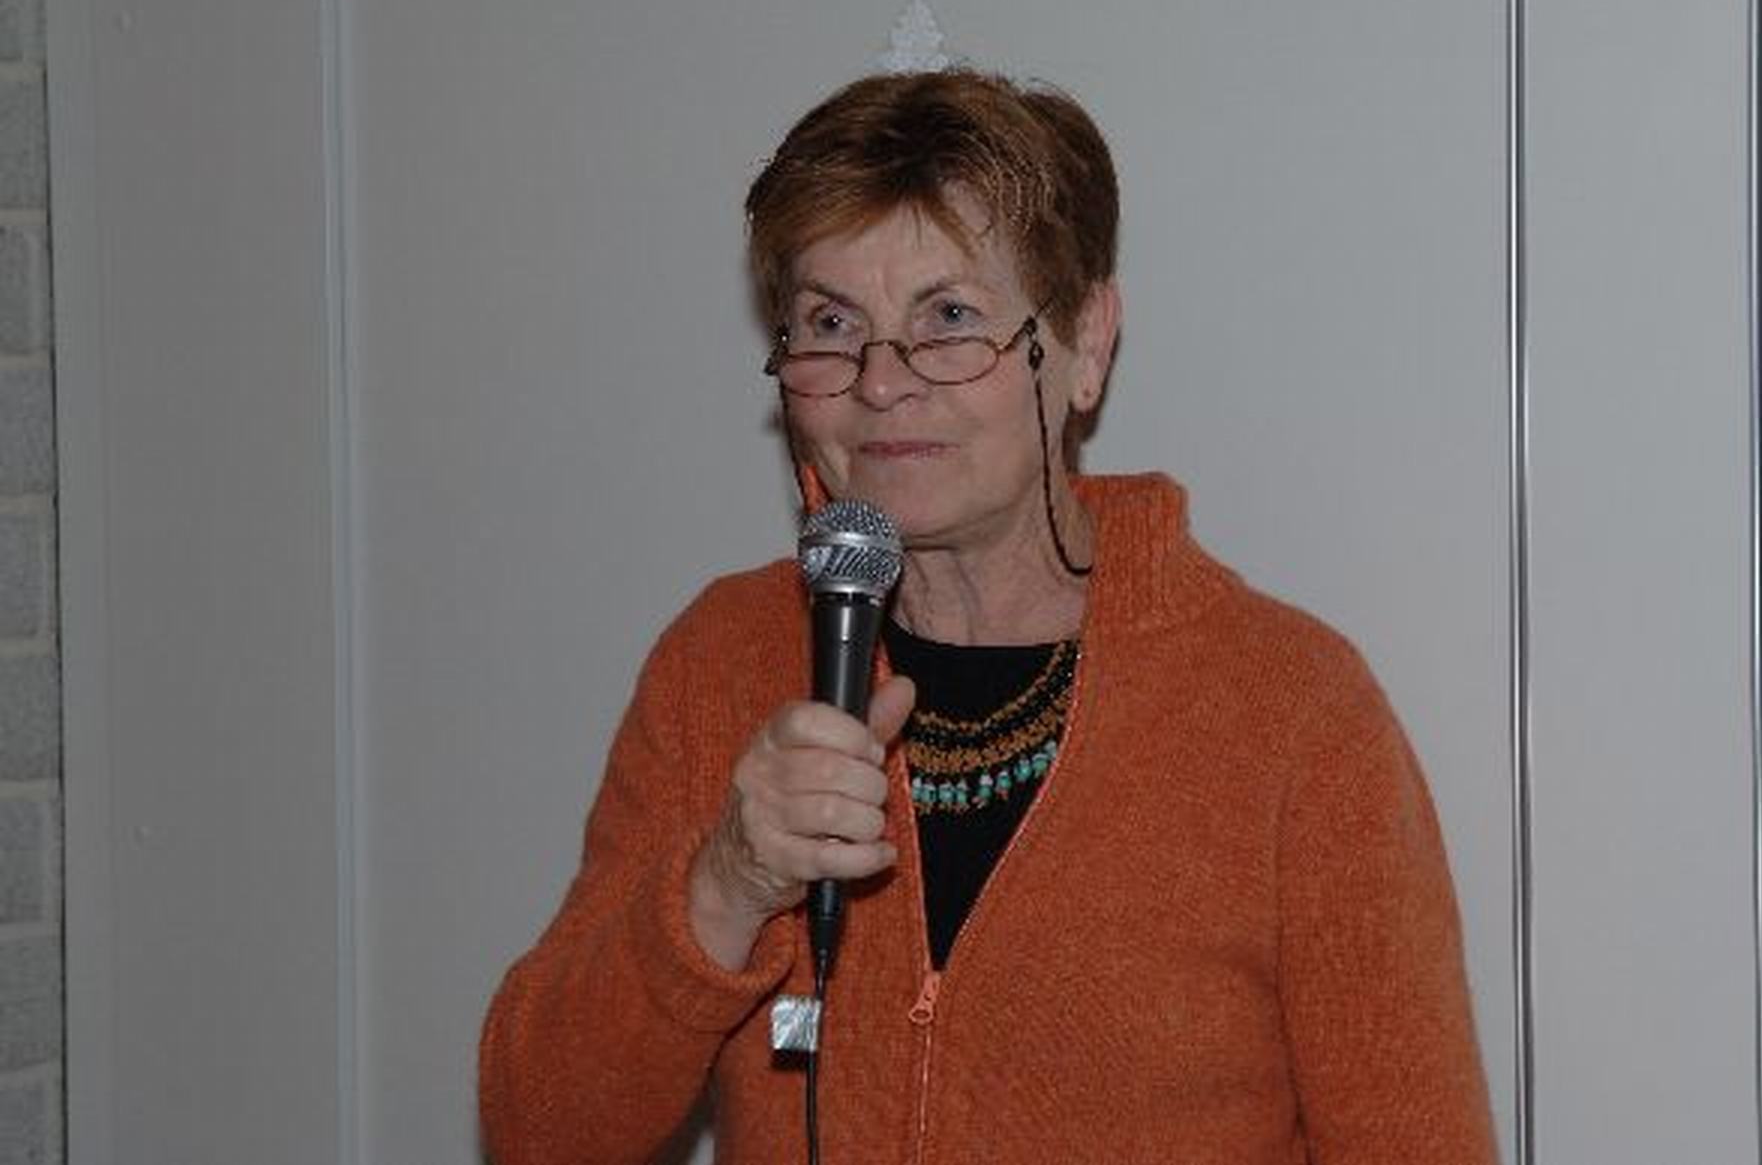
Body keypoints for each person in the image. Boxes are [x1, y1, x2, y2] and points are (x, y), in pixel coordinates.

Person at [479, 69, 1497, 1164]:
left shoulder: (1292, 714)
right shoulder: (719, 662)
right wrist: (724, 886)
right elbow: (538, 1128)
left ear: (1086, 344)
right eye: (831, 323)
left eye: (950, 317)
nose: (881, 383)